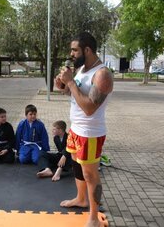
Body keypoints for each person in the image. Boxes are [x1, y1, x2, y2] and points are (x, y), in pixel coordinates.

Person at [55, 32, 113, 227]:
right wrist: (62, 85)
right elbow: (74, 94)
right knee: (76, 167)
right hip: (76, 129)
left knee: (90, 175)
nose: (71, 54)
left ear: (87, 50)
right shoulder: (82, 69)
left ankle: (94, 217)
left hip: (90, 132)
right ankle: (81, 199)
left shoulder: (102, 74)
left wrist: (70, 82)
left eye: (74, 50)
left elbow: (89, 108)